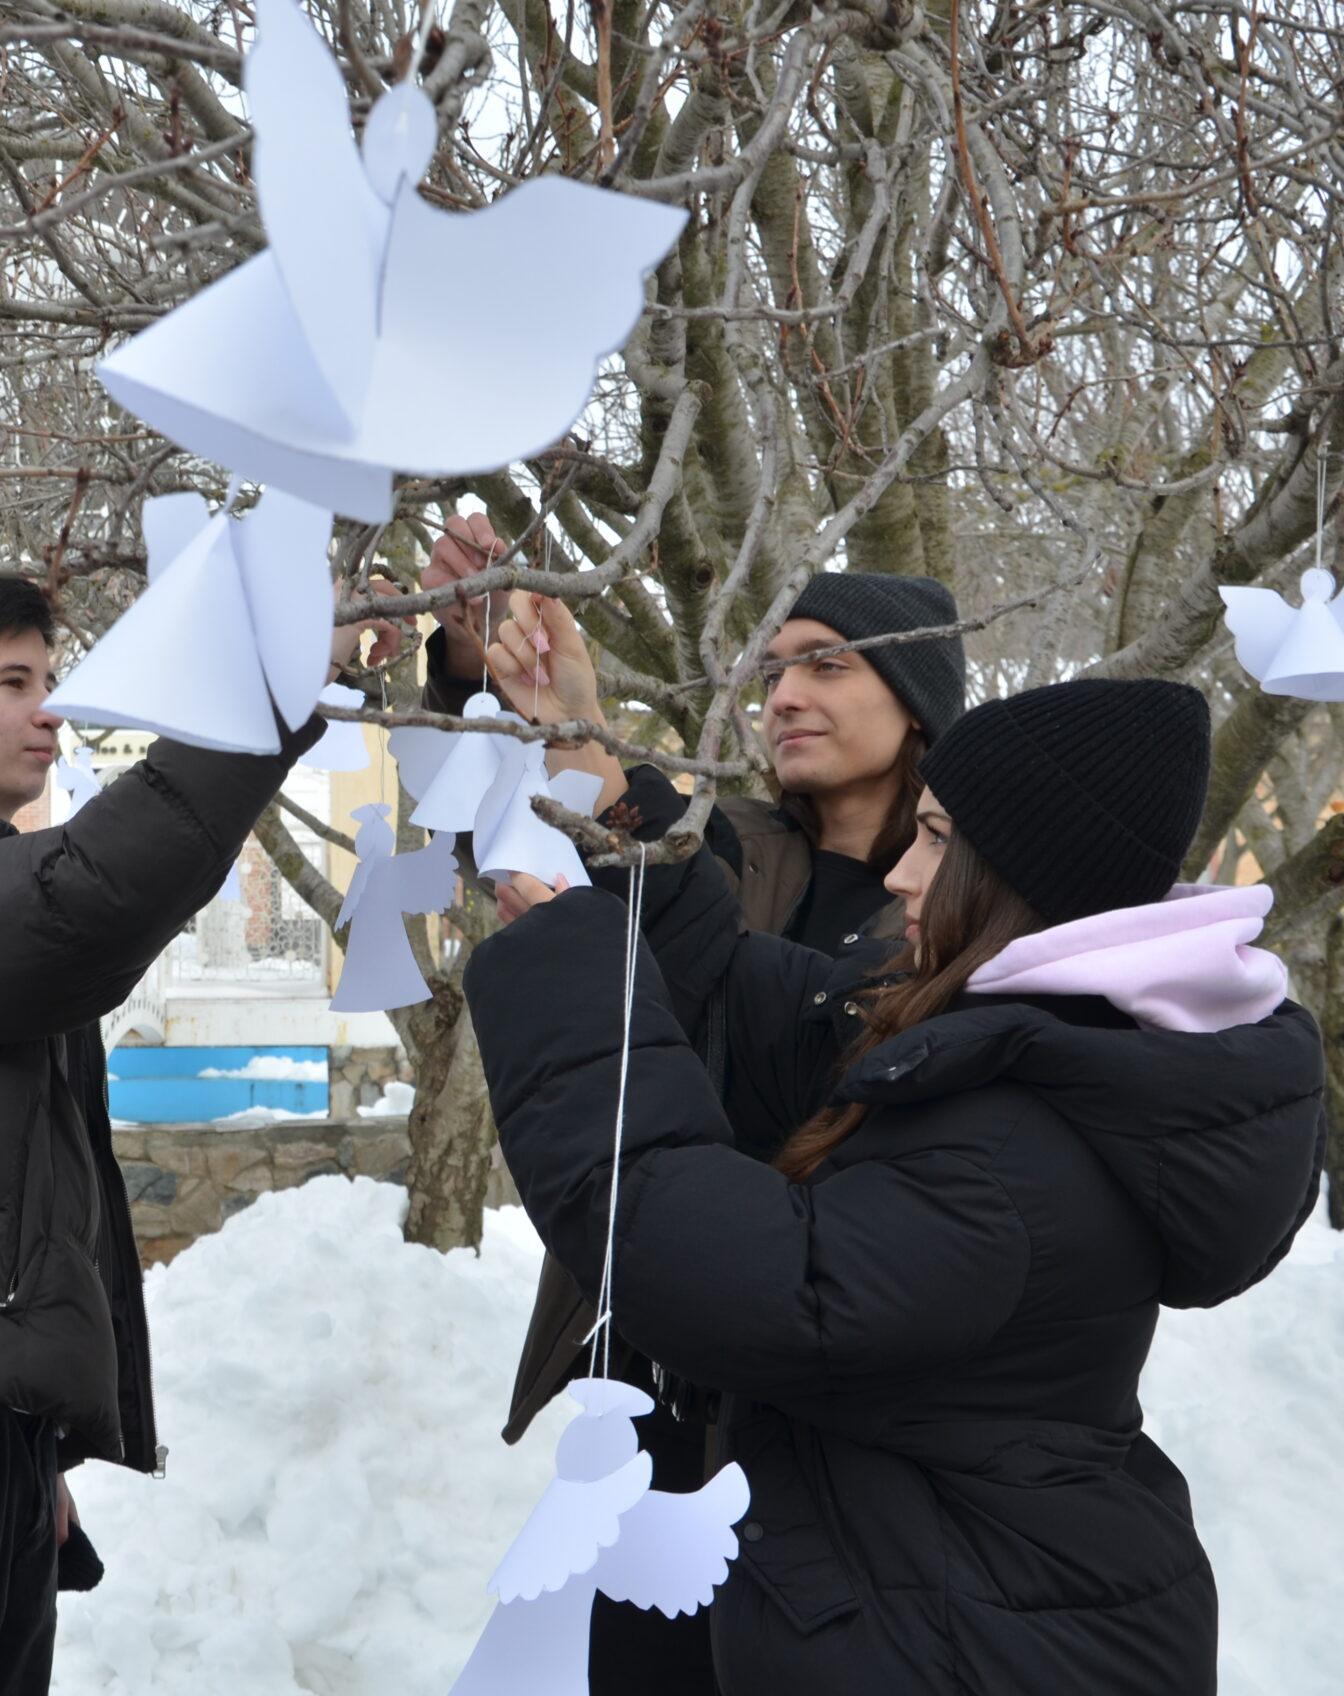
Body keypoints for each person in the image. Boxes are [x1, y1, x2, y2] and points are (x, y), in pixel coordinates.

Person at [466, 677, 1327, 1693]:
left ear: (1013, 869)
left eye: (934, 839)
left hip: (983, 1648)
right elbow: (760, 999)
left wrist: (570, 977)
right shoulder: (1060, 1046)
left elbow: (741, 1284)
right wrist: (612, 808)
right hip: (964, 1610)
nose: (905, 877)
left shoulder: (1011, 1150)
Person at [0, 566, 393, 1696]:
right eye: (13, 682)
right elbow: (75, 904)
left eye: (50, 679)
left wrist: (26, 1433)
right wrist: (252, 702)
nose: (49, 710)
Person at [432, 527, 966, 1691]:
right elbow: (561, 855)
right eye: (774, 669)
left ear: (918, 702)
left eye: (827, 664)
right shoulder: (725, 848)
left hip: (833, 1394)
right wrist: (511, 695)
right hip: (664, 1374)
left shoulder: (962, 911)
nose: (784, 695)